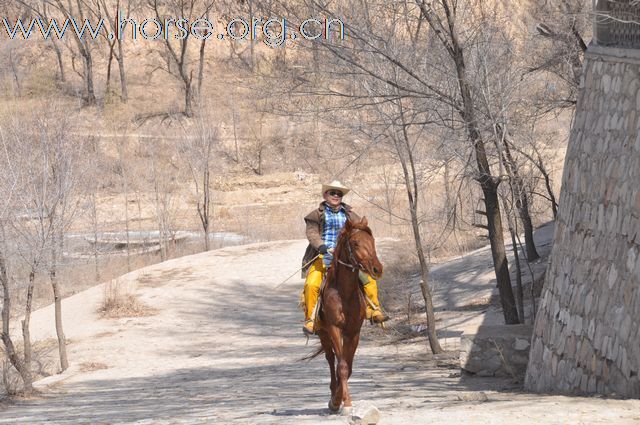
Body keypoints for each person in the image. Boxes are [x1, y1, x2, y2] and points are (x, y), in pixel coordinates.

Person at [301, 180, 389, 336]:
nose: (336, 196)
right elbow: (312, 233)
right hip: (323, 255)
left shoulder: (350, 214)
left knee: (369, 280)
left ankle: (374, 309)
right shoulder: (316, 215)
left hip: (347, 257)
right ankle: (311, 319)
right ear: (325, 195)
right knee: (312, 285)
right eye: (332, 193)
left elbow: (361, 231)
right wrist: (320, 245)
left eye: (339, 194)